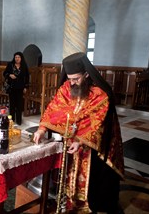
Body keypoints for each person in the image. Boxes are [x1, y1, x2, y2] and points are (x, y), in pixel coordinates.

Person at [32, 52, 124, 213]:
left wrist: (80, 141)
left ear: (87, 74)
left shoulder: (99, 94)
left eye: (76, 79)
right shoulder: (66, 88)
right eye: (69, 79)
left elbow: (99, 123)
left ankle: (87, 204)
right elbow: (54, 108)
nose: (72, 83)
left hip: (92, 147)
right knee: (67, 172)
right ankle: (68, 199)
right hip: (69, 141)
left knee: (91, 180)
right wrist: (42, 129)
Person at [3, 52, 29, 125]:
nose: (17, 59)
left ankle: (19, 120)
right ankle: (11, 120)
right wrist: (10, 75)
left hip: (20, 87)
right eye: (16, 57)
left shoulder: (24, 66)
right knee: (12, 104)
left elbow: (27, 77)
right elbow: (4, 73)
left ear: (21, 58)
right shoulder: (10, 65)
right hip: (11, 87)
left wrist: (26, 87)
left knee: (19, 104)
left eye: (18, 57)